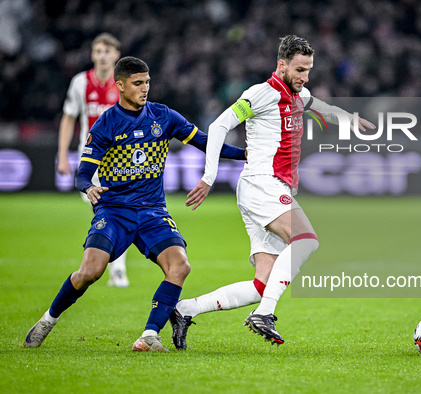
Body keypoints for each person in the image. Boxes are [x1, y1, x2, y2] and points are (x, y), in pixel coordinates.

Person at [24, 56, 247, 352]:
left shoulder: (163, 116)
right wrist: (88, 187)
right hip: (115, 211)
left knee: (179, 266)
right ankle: (48, 320)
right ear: (120, 85)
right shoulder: (106, 124)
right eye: (138, 83)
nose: (145, 89)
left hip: (153, 211)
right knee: (89, 272)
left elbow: (207, 143)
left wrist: (246, 154)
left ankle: (149, 335)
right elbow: (82, 173)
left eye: (148, 82)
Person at [170, 35, 374, 349]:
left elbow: (324, 109)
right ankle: (264, 314)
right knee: (306, 240)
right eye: (300, 69)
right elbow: (221, 125)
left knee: (261, 284)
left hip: (269, 189)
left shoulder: (300, 94)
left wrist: (350, 119)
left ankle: (185, 309)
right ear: (281, 65)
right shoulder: (261, 94)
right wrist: (209, 176)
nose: (305, 77)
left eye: (309, 70)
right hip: (261, 183)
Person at [56, 33, 129, 288]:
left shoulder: (123, 83)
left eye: (107, 51)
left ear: (116, 55)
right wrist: (63, 155)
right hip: (91, 158)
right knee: (99, 208)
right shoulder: (80, 83)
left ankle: (117, 268)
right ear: (92, 55)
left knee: (113, 209)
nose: (103, 56)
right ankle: (109, 262)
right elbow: (68, 118)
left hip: (121, 159)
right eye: (98, 51)